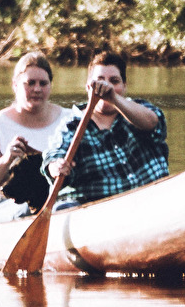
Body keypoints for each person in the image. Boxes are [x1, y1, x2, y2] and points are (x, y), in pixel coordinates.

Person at [43, 51, 168, 207]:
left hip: (154, 201)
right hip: (102, 212)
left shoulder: (140, 109)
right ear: (88, 87)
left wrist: (114, 98)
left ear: (124, 87)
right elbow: (54, 156)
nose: (106, 86)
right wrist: (56, 166)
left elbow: (152, 123)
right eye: (99, 81)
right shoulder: (71, 126)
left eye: (114, 81)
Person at [0, 52, 72, 222]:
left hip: (61, 201)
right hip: (3, 204)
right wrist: (6, 160)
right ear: (15, 85)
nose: (37, 89)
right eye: (30, 83)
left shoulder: (70, 120)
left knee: (64, 206)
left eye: (43, 83)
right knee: (31, 208)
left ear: (50, 86)